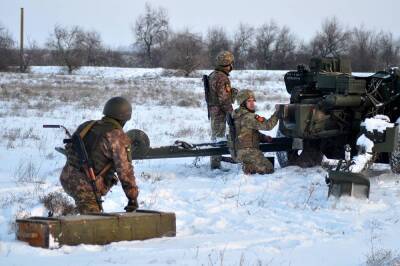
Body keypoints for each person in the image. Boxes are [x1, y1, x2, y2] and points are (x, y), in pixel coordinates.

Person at [60, 96, 139, 214]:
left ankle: (72, 215)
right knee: (93, 226)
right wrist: (132, 198)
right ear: (124, 119)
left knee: (84, 212)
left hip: (67, 177)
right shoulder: (117, 137)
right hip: (86, 187)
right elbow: (125, 172)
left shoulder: (87, 125)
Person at [232, 89, 279, 174]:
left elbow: (248, 132)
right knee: (269, 169)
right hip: (248, 151)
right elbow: (268, 125)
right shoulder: (248, 117)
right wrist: (278, 113)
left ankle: (248, 163)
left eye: (253, 101)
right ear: (243, 103)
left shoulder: (238, 114)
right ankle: (248, 167)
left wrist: (263, 138)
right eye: (249, 101)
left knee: (268, 163)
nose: (252, 103)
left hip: (241, 150)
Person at [207, 51, 238, 170]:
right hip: (219, 112)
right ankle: (215, 166)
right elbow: (224, 100)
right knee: (218, 139)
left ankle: (215, 163)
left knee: (216, 136)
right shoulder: (222, 78)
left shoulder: (213, 74)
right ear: (228, 64)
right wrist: (231, 112)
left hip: (214, 110)